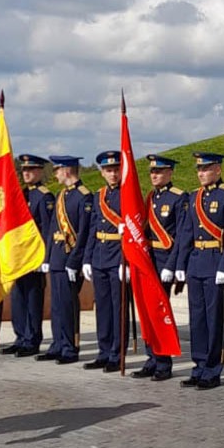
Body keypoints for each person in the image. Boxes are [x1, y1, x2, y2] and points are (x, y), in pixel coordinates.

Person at [176, 152, 224, 390]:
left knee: (214, 319)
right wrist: (180, 264)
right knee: (197, 319)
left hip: (216, 262)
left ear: (218, 170)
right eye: (199, 169)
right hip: (196, 262)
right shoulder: (193, 197)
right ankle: (199, 366)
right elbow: (186, 233)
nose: (201, 173)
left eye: (206, 169)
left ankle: (212, 370)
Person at [130, 154, 187, 382]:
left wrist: (173, 266)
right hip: (148, 261)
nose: (155, 176)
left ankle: (164, 362)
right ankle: (151, 357)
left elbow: (182, 235)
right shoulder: (150, 197)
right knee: (147, 311)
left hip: (164, 262)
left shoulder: (178, 198)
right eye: (152, 172)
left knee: (160, 312)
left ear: (170, 173)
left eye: (160, 172)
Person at [36, 155, 92, 365]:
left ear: (67, 171)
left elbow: (84, 232)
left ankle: (69, 347)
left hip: (70, 258)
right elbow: (52, 229)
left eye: (58, 169)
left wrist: (75, 262)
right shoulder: (61, 196)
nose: (55, 173)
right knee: (57, 305)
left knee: (68, 305)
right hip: (58, 257)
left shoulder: (83, 196)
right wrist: (48, 257)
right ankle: (58, 344)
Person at [0, 154, 53, 357]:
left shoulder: (44, 196)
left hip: (34, 257)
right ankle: (20, 336)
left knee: (32, 299)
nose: (27, 173)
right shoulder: (20, 195)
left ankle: (31, 340)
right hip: (19, 256)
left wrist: (44, 259)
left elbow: (47, 230)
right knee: (18, 298)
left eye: (31, 170)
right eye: (24, 170)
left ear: (39, 171)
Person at [82, 151, 129, 373]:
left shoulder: (128, 194)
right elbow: (92, 228)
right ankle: (103, 350)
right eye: (108, 170)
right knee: (102, 308)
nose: (113, 174)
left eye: (116, 169)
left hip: (118, 256)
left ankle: (117, 353)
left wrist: (126, 261)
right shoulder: (98, 195)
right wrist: (87, 258)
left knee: (118, 308)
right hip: (100, 255)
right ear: (102, 173)